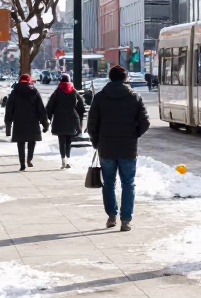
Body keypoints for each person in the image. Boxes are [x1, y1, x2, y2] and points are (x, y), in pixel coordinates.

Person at [87, 65, 150, 231]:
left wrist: (96, 141)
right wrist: (133, 134)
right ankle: (126, 220)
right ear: (125, 78)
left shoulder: (100, 97)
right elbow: (145, 122)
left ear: (110, 77)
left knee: (108, 183)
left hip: (106, 147)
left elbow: (92, 123)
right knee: (128, 183)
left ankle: (111, 216)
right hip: (128, 148)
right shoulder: (134, 97)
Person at [3, 74, 49, 171]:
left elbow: (9, 109)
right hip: (33, 120)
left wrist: (8, 123)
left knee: (21, 142)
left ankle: (22, 162)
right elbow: (41, 109)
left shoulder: (14, 93)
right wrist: (45, 124)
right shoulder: (34, 92)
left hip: (19, 121)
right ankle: (29, 159)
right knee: (32, 141)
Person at [45, 73, 87, 169]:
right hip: (71, 119)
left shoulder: (57, 92)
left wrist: (49, 117)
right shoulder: (73, 91)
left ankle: (63, 158)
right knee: (69, 141)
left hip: (59, 119)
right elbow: (81, 106)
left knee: (61, 141)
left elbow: (50, 106)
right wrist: (79, 118)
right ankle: (67, 158)